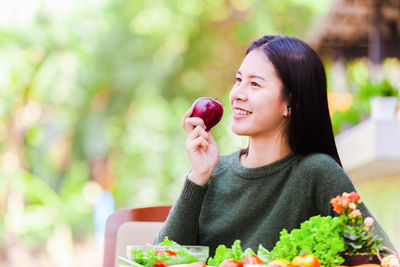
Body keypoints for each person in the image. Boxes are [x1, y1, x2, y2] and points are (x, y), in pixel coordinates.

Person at [154, 35, 396, 255]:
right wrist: (198, 176)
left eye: (255, 84)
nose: (237, 93)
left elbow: (384, 256)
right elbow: (160, 257)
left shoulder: (318, 173)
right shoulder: (212, 172)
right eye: (238, 80)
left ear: (291, 104)